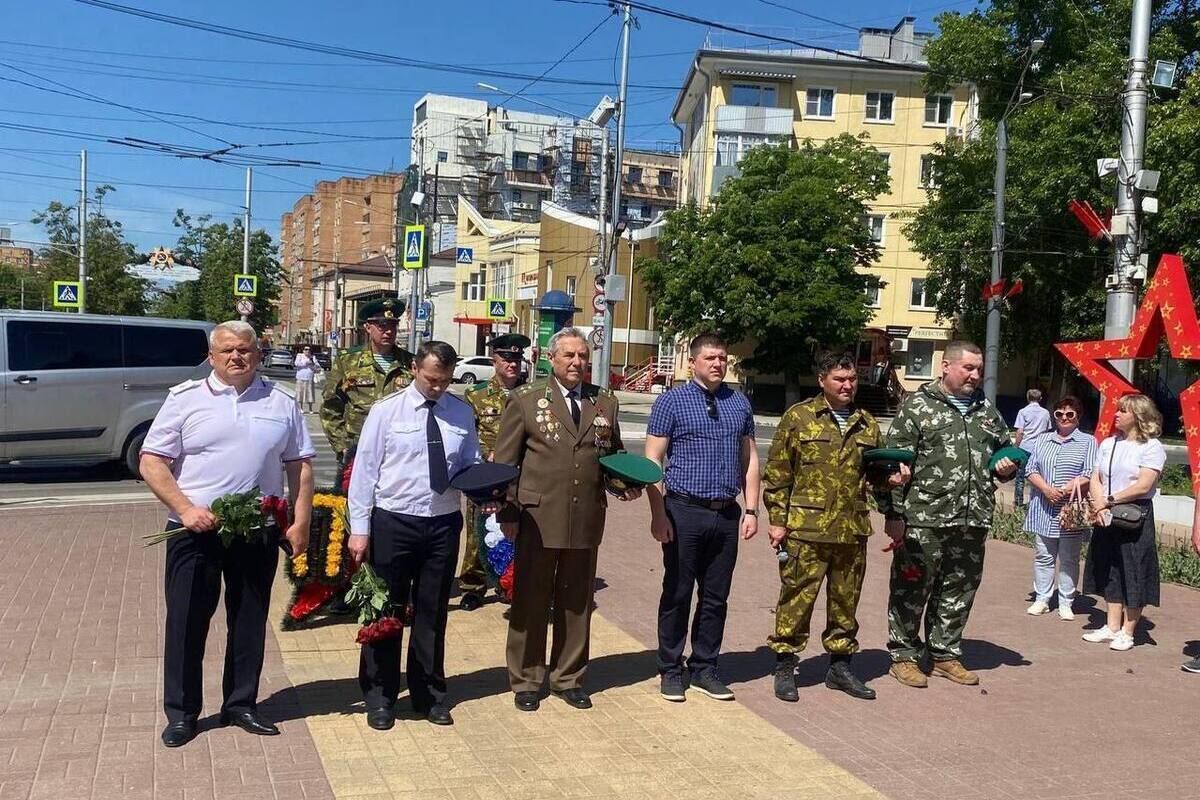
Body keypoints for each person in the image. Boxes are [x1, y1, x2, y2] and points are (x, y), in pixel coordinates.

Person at [139, 321, 315, 748]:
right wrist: (186, 509)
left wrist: (301, 521)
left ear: (259, 354)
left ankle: (240, 704)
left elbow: (300, 464)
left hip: (257, 530)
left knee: (250, 619)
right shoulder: (185, 399)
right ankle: (182, 713)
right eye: (227, 351)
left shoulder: (281, 401)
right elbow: (151, 462)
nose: (237, 357)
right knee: (186, 622)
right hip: (194, 531)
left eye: (245, 350)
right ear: (211, 356)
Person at [494, 327, 641, 712]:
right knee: (531, 599)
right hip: (538, 517)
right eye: (569, 356)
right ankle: (527, 678)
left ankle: (568, 677)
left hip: (585, 516)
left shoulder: (603, 402)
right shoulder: (526, 400)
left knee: (577, 601)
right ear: (552, 359)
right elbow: (506, 464)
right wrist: (508, 513)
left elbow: (612, 456)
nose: (577, 363)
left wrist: (624, 485)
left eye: (582, 356)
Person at [346, 341, 484, 730]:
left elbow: (470, 462)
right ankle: (380, 696)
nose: (437, 387)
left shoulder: (461, 412)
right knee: (386, 612)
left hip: (441, 523)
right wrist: (360, 529)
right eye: (431, 379)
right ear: (414, 369)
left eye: (445, 381)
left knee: (432, 612)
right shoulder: (386, 411)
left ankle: (429, 695)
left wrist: (485, 486)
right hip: (394, 521)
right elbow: (365, 471)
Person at [763, 353, 910, 703]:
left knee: (846, 602)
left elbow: (876, 475)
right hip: (806, 530)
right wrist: (778, 521)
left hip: (851, 530)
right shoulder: (799, 417)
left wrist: (892, 481)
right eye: (840, 379)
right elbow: (778, 473)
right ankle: (785, 665)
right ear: (822, 380)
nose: (847, 385)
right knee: (797, 599)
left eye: (852, 379)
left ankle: (840, 667)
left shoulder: (866, 423)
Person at [879, 340, 1018, 688]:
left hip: (972, 519)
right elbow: (893, 465)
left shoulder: (986, 411)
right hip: (924, 519)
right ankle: (903, 655)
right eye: (968, 368)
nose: (975, 375)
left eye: (979, 369)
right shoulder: (918, 407)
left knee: (959, 588)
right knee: (912, 588)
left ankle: (944, 653)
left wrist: (1006, 467)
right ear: (945, 366)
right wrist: (893, 513)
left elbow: (1004, 454)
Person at [644, 333, 759, 703]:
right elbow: (652, 460)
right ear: (692, 361)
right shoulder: (671, 401)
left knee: (716, 597)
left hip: (725, 514)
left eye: (722, 358)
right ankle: (670, 668)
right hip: (683, 511)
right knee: (678, 592)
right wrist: (658, 513)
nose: (718, 364)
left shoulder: (739, 403)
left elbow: (749, 458)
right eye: (710, 358)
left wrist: (752, 508)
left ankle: (704, 667)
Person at [1081, 393, 1165, 652]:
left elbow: (1144, 485)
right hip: (1107, 513)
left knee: (1134, 570)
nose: (1116, 414)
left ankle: (1128, 632)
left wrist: (1108, 500)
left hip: (1133, 515)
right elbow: (1096, 477)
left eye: (1123, 411)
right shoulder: (1109, 443)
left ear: (1138, 416)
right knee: (1109, 567)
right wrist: (1098, 503)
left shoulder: (1151, 447)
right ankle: (1112, 626)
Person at [458, 332, 531, 611]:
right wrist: (486, 454)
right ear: (494, 360)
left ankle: (508, 582)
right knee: (478, 531)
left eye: (516, 359)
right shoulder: (476, 395)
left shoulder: (531, 394)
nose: (512, 364)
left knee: (517, 531)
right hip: (488, 475)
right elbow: (467, 435)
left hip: (522, 476)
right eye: (506, 359)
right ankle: (473, 586)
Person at [1022, 396, 1097, 620]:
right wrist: (1046, 489)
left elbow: (1089, 473)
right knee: (1043, 556)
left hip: (1070, 510)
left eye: (1070, 414)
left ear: (1078, 417)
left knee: (1069, 558)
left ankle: (1066, 601)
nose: (1064, 418)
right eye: (1059, 414)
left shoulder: (1088, 441)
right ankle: (1042, 599)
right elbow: (1030, 469)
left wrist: (1063, 490)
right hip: (1043, 507)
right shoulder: (1042, 439)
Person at [320, 294, 414, 468]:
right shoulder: (347, 360)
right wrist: (342, 446)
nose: (388, 331)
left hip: (399, 451)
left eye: (393, 325)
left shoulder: (411, 363)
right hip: (358, 448)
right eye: (382, 325)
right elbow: (330, 407)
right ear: (368, 328)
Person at [1013, 389, 1052, 507]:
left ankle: (1018, 502)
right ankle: (1034, 503)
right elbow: (1047, 430)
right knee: (1037, 477)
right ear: (1040, 399)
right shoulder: (1045, 413)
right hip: (1040, 448)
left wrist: (1016, 446)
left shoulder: (1023, 412)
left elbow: (1020, 431)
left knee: (1020, 476)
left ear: (1027, 397)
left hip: (1025, 447)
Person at [293, 345, 320, 414]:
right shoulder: (300, 356)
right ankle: (301, 408)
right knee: (300, 393)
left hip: (309, 377)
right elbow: (296, 363)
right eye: (306, 349)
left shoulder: (312, 357)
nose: (307, 351)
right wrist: (305, 363)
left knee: (310, 393)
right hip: (300, 377)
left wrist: (313, 365)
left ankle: (310, 409)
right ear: (303, 350)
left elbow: (318, 366)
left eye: (309, 349)